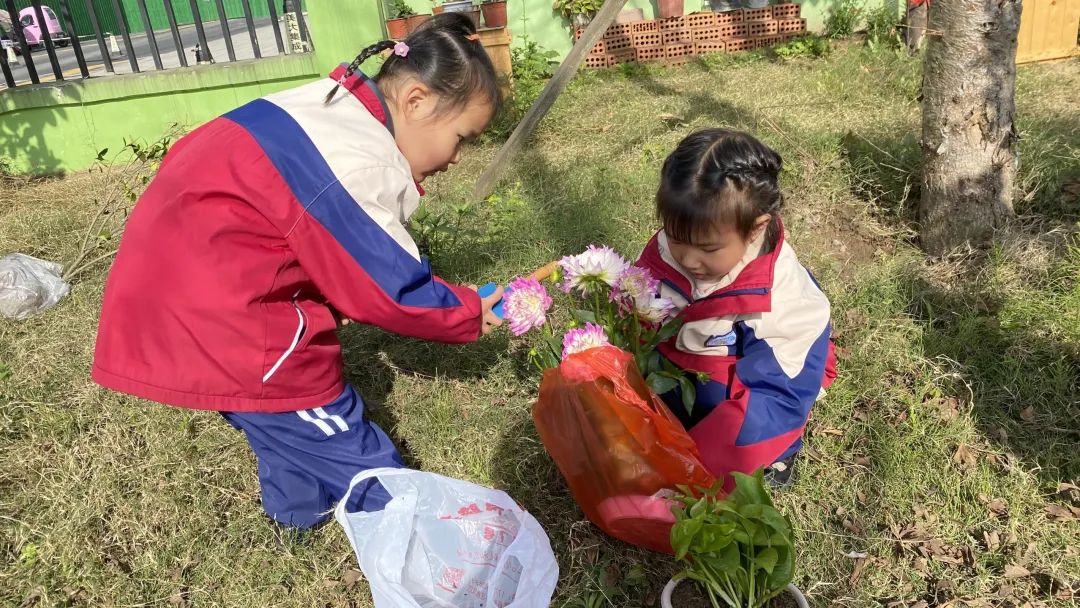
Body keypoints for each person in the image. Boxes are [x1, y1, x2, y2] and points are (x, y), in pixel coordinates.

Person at [92, 13, 503, 529]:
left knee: (283, 428)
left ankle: (298, 519)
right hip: (228, 321)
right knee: (326, 422)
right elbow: (388, 285)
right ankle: (411, 533)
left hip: (178, 290)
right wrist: (464, 312)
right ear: (416, 101)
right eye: (462, 137)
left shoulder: (330, 105)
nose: (458, 158)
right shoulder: (356, 161)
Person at [635, 129, 837, 488]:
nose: (688, 259)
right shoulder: (676, 246)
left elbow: (778, 394)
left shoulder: (784, 299)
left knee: (735, 435)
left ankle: (781, 454)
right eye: (676, 238)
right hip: (683, 361)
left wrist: (707, 463)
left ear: (756, 228)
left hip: (748, 379)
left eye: (707, 249)